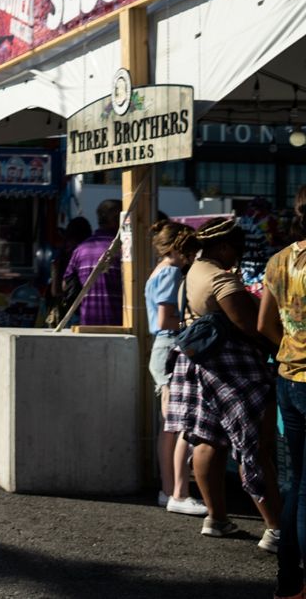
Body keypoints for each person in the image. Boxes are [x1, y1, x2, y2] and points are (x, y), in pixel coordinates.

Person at [165, 217, 280, 547]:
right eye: (238, 250)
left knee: (208, 439)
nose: (239, 257)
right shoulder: (219, 278)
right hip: (233, 368)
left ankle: (216, 518)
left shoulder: (194, 272)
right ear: (226, 246)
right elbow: (250, 325)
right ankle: (276, 529)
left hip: (202, 365)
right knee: (255, 447)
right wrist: (279, 348)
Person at [258, 186, 306, 599]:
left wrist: (291, 350)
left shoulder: (278, 260)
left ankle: (289, 581)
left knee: (296, 483)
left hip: (288, 379)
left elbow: (264, 325)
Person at [146, 221, 206, 517]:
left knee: (168, 426)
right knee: (180, 423)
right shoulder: (171, 273)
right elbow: (164, 319)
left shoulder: (157, 270)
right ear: (177, 248)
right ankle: (178, 493)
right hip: (170, 347)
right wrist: (191, 324)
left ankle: (168, 489)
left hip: (161, 349)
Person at [62, 201, 123, 326]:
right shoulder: (124, 250)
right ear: (116, 220)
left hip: (87, 324)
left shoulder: (81, 249)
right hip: (119, 326)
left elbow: (65, 285)